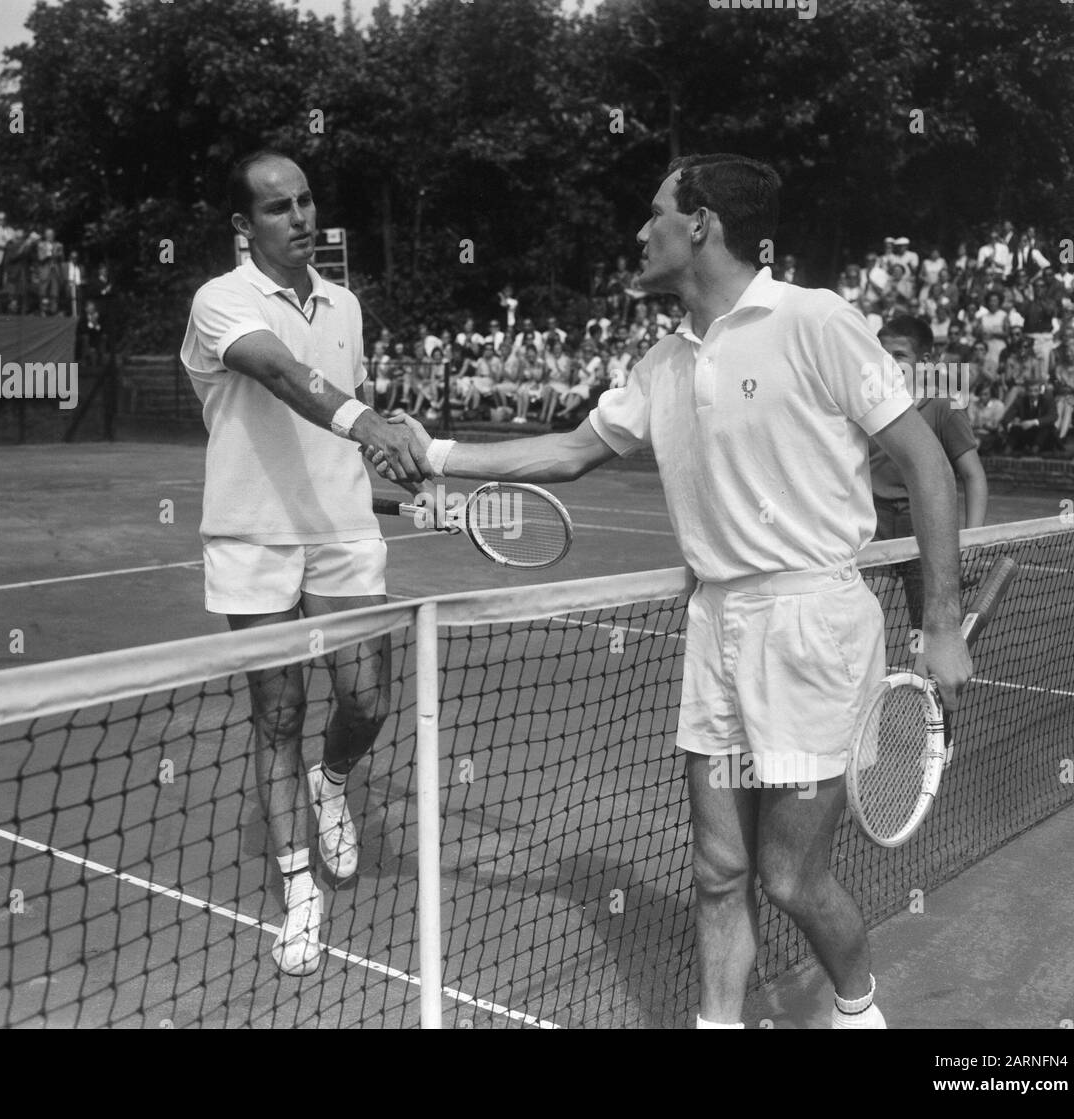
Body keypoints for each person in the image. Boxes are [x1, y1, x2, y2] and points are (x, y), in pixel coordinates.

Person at [370, 153, 970, 1029]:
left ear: (702, 225)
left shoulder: (817, 320)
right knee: (717, 869)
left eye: (655, 213)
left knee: (791, 876)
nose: (640, 231)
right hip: (716, 625)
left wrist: (942, 621)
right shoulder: (660, 362)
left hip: (813, 624)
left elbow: (927, 463)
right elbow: (572, 450)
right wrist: (439, 455)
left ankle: (856, 1009)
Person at [180, 150, 429, 977]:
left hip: (343, 534)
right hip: (252, 539)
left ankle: (333, 779)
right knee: (277, 713)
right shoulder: (221, 301)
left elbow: (334, 441)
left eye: (308, 200)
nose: (301, 217)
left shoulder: (345, 306)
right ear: (243, 226)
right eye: (279, 207)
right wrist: (370, 422)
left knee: (367, 698)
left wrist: (397, 495)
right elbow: (285, 376)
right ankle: (300, 892)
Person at [867, 315, 987, 640]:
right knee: (862, 626)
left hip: (924, 531)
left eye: (899, 355)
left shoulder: (944, 406)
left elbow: (973, 477)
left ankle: (926, 690)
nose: (888, 362)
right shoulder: (866, 403)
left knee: (928, 633)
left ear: (926, 362)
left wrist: (973, 543)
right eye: (881, 353)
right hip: (873, 531)